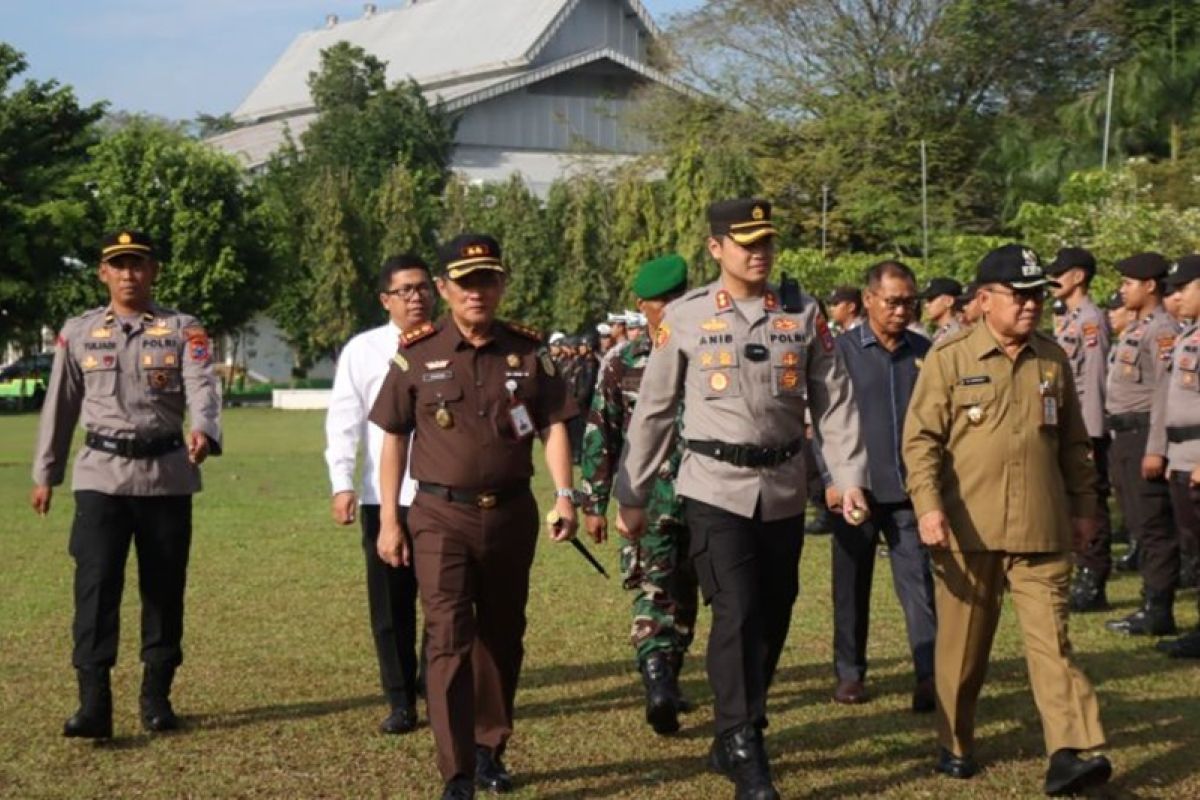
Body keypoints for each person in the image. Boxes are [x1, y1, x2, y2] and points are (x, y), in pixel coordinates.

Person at [616, 198, 869, 800]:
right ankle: (741, 741)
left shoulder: (803, 314)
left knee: (775, 611)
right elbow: (653, 410)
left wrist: (849, 476)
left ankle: (740, 721)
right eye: (744, 241)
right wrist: (633, 491)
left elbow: (833, 402)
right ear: (716, 248)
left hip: (782, 488)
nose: (757, 252)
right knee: (736, 607)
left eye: (765, 242)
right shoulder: (686, 316)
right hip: (713, 487)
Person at [368, 234, 579, 800]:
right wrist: (389, 519)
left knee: (503, 636)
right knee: (448, 636)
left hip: (511, 513)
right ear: (444, 289)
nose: (476, 292)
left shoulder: (529, 351)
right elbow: (392, 438)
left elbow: (554, 424)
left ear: (502, 284)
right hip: (439, 514)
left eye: (487, 279)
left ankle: (490, 748)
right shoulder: (416, 352)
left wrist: (566, 494)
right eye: (465, 282)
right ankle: (457, 770)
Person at [902, 243, 1111, 797]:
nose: (1031, 306)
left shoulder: (1051, 357)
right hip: (968, 528)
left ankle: (1070, 751)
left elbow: (1074, 444)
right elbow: (921, 440)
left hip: (1041, 527)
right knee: (962, 652)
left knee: (1052, 645)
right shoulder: (950, 357)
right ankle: (956, 740)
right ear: (985, 299)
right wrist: (928, 506)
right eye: (1019, 297)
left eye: (1037, 296)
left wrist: (1085, 508)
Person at [31, 230, 222, 739]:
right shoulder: (80, 332)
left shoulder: (183, 329)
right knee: (95, 589)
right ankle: (94, 704)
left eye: (137, 264)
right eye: (118, 265)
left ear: (153, 270)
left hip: (165, 476)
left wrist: (202, 428)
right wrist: (45, 473)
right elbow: (60, 406)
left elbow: (203, 386)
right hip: (101, 477)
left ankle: (156, 698)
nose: (128, 274)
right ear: (102, 273)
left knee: (163, 589)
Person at [579, 253, 697, 736]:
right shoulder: (622, 361)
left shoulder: (711, 349)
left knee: (686, 600)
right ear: (640, 306)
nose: (667, 312)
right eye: (657, 304)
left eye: (676, 301)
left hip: (710, 498)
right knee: (655, 593)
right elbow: (599, 434)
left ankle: (667, 676)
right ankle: (657, 682)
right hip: (647, 502)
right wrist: (594, 502)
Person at [324, 253, 433, 734]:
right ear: (385, 299)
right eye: (404, 291)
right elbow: (344, 420)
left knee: (446, 596)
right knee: (390, 604)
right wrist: (341, 482)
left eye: (423, 287)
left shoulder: (452, 343)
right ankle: (400, 699)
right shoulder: (364, 350)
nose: (416, 298)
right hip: (383, 498)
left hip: (443, 495)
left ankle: (434, 675)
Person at [823, 260, 937, 712]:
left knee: (918, 584)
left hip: (909, 491)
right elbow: (821, 421)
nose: (901, 311)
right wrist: (832, 479)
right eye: (893, 302)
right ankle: (850, 673)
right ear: (869, 299)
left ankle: (929, 673)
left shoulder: (923, 352)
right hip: (855, 490)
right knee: (851, 586)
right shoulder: (840, 351)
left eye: (910, 302)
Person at [1104, 253, 1182, 637]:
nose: (1122, 289)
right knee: (1139, 521)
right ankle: (1150, 602)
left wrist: (1156, 447)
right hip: (1124, 435)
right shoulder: (1137, 328)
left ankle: (1158, 607)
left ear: (1150, 285)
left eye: (1129, 283)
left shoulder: (1162, 330)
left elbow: (1165, 394)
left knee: (1153, 525)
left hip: (1142, 435)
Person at [1045, 247, 1114, 612]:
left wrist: (1090, 431)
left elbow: (1095, 377)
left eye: (1060, 272)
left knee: (1092, 499)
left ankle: (1093, 578)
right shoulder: (1069, 319)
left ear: (1078, 276)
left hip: (1086, 426)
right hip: (1066, 421)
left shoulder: (1090, 319)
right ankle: (1080, 569)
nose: (1053, 279)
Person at [1150, 255, 1200, 658]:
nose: (1175, 296)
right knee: (1194, 549)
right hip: (1183, 457)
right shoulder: (1189, 334)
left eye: (1184, 288)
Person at [920, 277, 964, 342]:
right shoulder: (941, 331)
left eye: (930, 299)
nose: (926, 305)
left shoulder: (956, 334)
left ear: (949, 301)